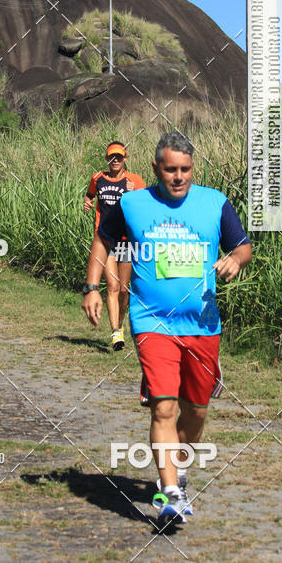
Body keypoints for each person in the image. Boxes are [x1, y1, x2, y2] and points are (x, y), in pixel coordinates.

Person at [82, 132, 252, 525]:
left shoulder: (215, 203)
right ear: (157, 168)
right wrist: (92, 287)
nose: (178, 177)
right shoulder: (133, 203)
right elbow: (103, 241)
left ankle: (181, 465)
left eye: (186, 170)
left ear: (194, 168)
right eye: (171, 169)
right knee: (164, 406)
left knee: (196, 409)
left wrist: (235, 260)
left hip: (202, 324)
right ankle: (170, 492)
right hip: (152, 321)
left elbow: (243, 245)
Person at [82, 142, 145, 350]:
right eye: (111, 157)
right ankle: (116, 332)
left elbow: (145, 207)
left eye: (119, 157)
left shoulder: (134, 180)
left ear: (125, 159)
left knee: (125, 289)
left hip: (126, 241)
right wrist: (87, 202)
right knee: (113, 286)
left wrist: (134, 194)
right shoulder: (97, 178)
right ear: (107, 159)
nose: (115, 160)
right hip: (105, 240)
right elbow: (90, 195)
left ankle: (121, 321)